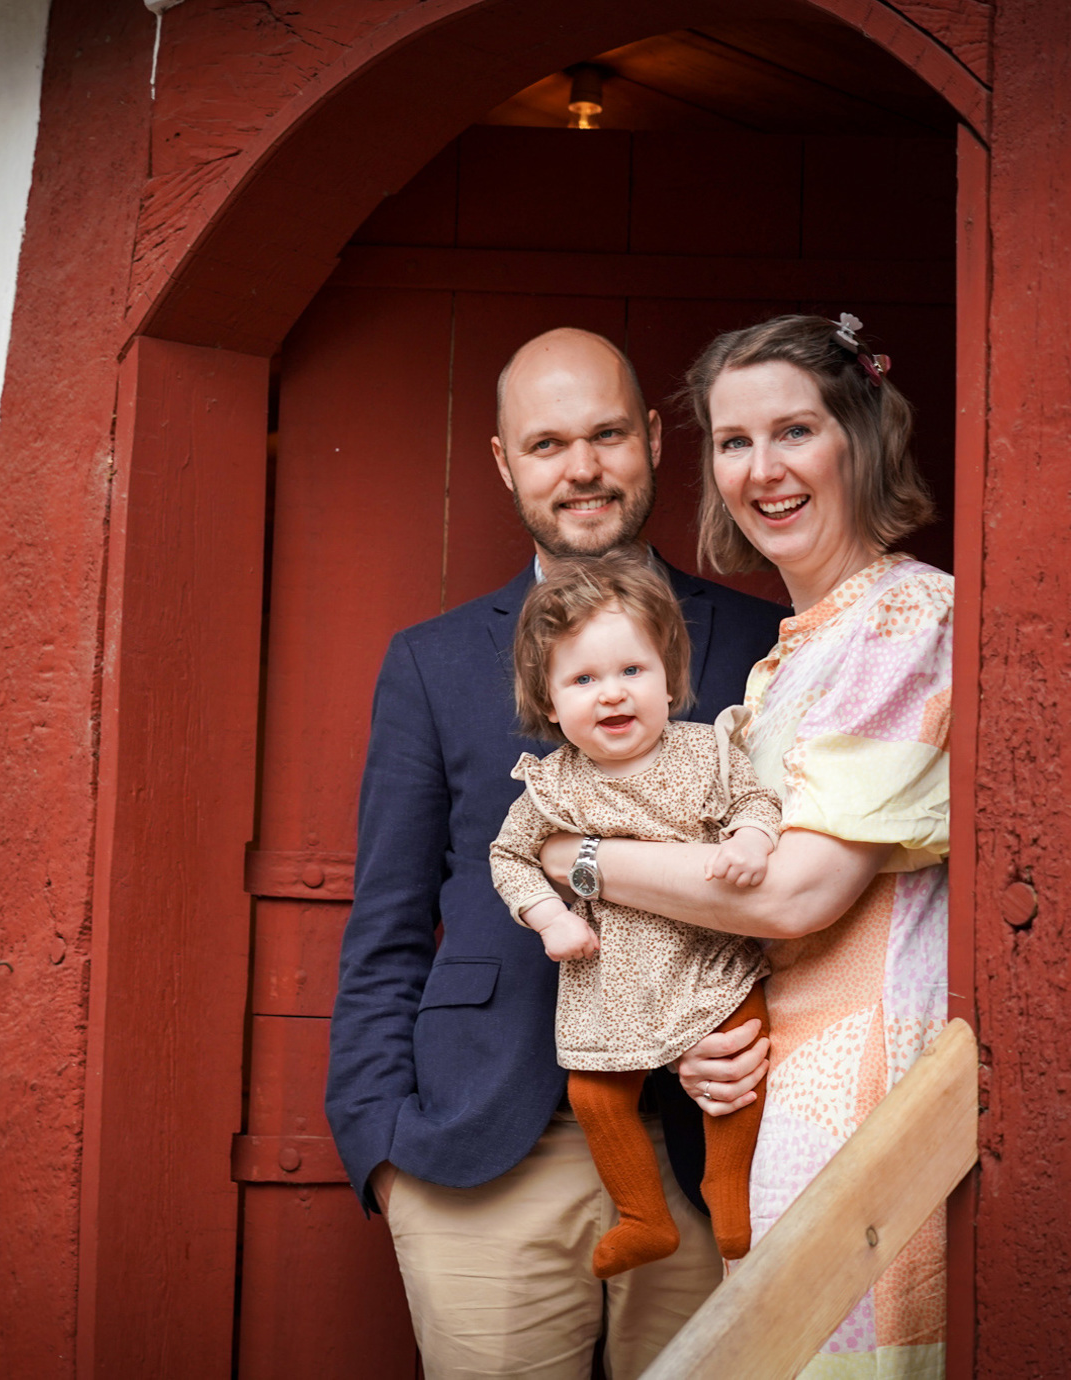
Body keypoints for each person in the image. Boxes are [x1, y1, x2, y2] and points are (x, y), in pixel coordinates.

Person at [326, 327, 789, 1378]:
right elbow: (387, 923)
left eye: (607, 435)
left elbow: (809, 891)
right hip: (487, 1155)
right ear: (504, 462)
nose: (582, 468)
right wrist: (381, 1144)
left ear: (655, 439)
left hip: (715, 1144)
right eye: (547, 444)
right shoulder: (433, 660)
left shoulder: (766, 643)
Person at [537, 313, 953, 1377]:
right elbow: (742, 914)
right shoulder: (787, 658)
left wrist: (575, 857)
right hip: (779, 1075)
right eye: (734, 441)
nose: (762, 470)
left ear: (863, 436)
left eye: (795, 431)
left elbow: (795, 894)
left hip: (866, 1071)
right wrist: (707, 1036)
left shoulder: (907, 617)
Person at [489, 550, 780, 1280]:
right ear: (549, 703)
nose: (612, 694)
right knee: (594, 1092)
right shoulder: (554, 786)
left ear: (668, 680)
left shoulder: (703, 753)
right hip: (610, 972)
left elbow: (756, 800)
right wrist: (550, 919)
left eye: (631, 671)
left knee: (741, 1052)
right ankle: (644, 1216)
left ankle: (728, 1188)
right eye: (583, 680)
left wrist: (750, 839)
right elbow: (509, 856)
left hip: (705, 953)